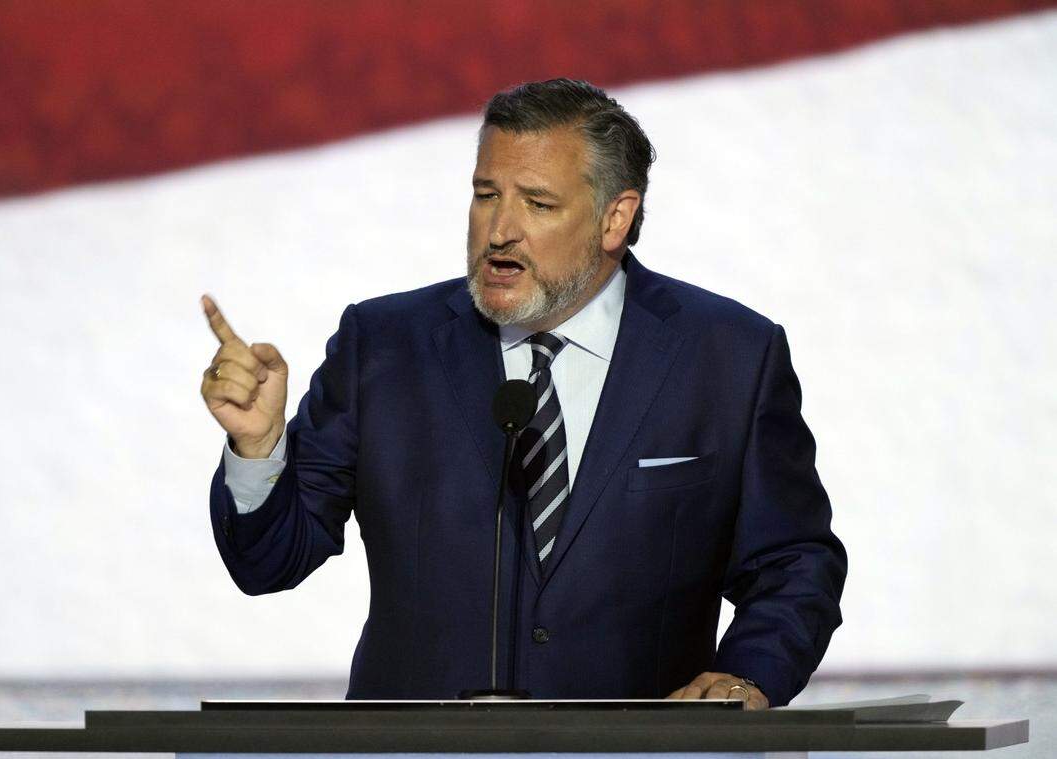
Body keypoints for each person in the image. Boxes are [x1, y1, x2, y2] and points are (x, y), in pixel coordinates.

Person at [199, 79, 846, 708]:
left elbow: (793, 562)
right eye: (486, 195)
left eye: (537, 204)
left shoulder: (728, 356)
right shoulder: (384, 347)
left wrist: (744, 677)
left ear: (614, 218)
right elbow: (269, 562)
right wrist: (259, 447)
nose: (499, 230)